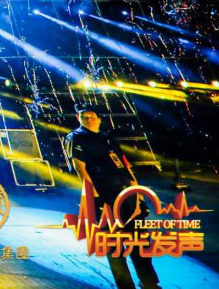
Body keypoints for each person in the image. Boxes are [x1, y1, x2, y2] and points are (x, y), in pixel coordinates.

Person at [66, 103, 160, 289]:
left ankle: (149, 282)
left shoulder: (107, 138)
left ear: (99, 119)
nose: (89, 120)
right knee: (114, 244)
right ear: (78, 118)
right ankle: (125, 285)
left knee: (139, 239)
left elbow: (124, 165)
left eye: (92, 116)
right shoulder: (75, 137)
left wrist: (137, 191)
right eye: (84, 117)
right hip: (104, 196)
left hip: (126, 194)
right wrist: (94, 197)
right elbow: (80, 168)